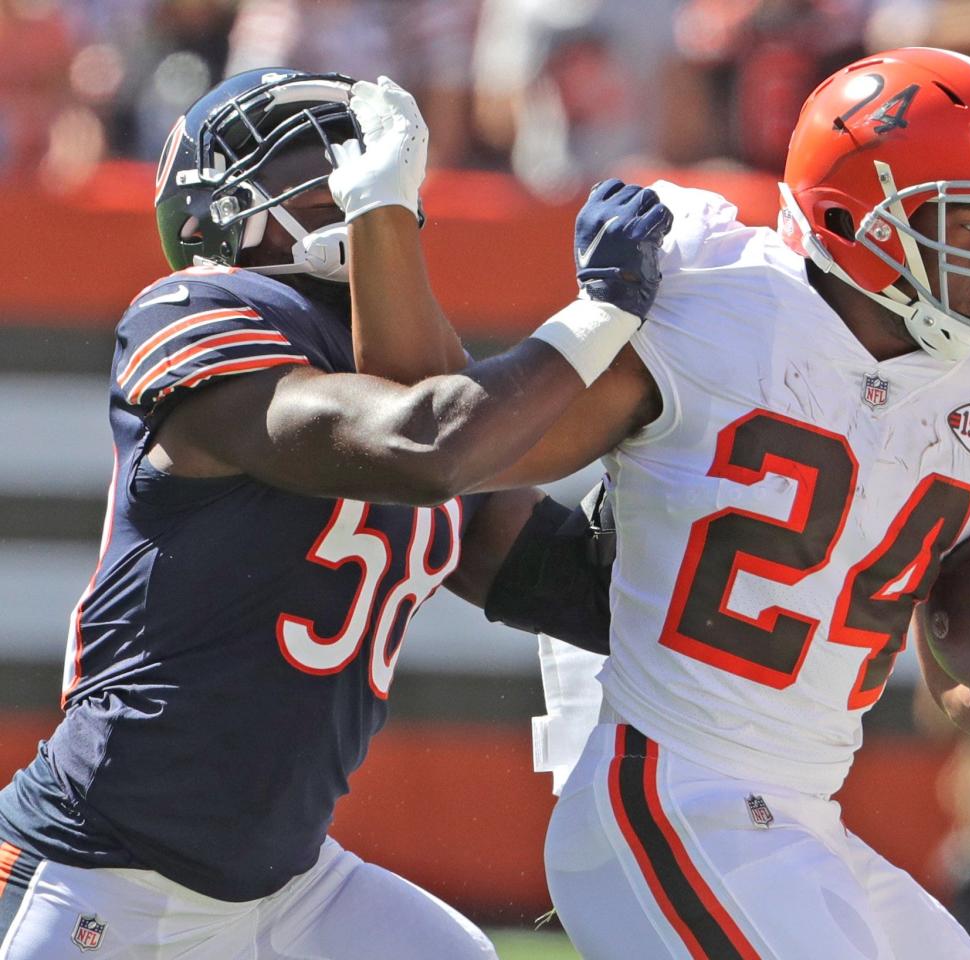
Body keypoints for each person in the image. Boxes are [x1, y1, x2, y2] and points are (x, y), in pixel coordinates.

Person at [422, 47, 970, 958]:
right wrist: (599, 316)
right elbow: (462, 463)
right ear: (858, 219)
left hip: (805, 814)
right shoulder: (717, 305)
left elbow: (965, 687)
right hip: (670, 787)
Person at [0, 69, 670, 957]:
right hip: (102, 870)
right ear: (218, 208)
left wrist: (673, 435)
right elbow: (423, 446)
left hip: (289, 885)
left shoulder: (396, 361)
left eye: (360, 160)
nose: (350, 178)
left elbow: (580, 589)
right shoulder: (196, 308)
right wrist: (599, 320)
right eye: (314, 162)